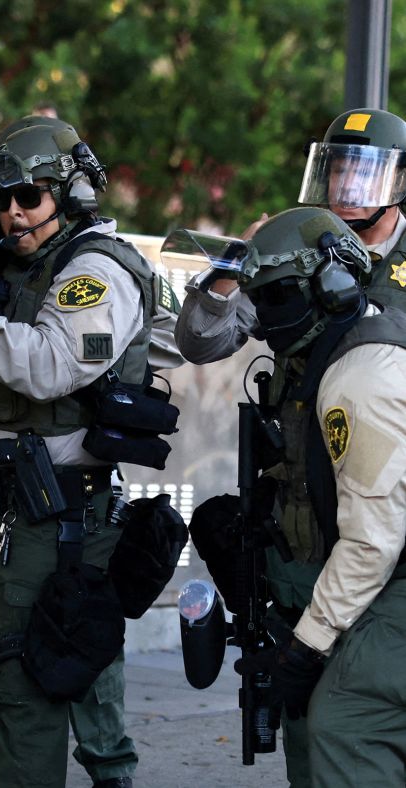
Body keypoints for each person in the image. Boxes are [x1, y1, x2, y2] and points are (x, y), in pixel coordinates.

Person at [0, 117, 160, 788]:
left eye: (30, 198)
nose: (13, 215)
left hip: (55, 513)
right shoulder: (16, 269)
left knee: (28, 688)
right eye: (0, 203)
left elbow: (51, 366)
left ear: (69, 193)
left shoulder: (95, 271)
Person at [171, 106, 406, 788]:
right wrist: (234, 270)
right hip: (308, 497)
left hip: (382, 504)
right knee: (306, 710)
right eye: (339, 167)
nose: (348, 186)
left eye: (366, 171)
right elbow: (203, 341)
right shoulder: (296, 245)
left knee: (351, 715)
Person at [212, 207, 404, 788]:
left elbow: (374, 542)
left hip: (393, 574)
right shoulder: (344, 351)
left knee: (345, 724)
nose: (265, 320)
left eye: (276, 298)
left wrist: (305, 647)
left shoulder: (358, 377)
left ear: (331, 287)